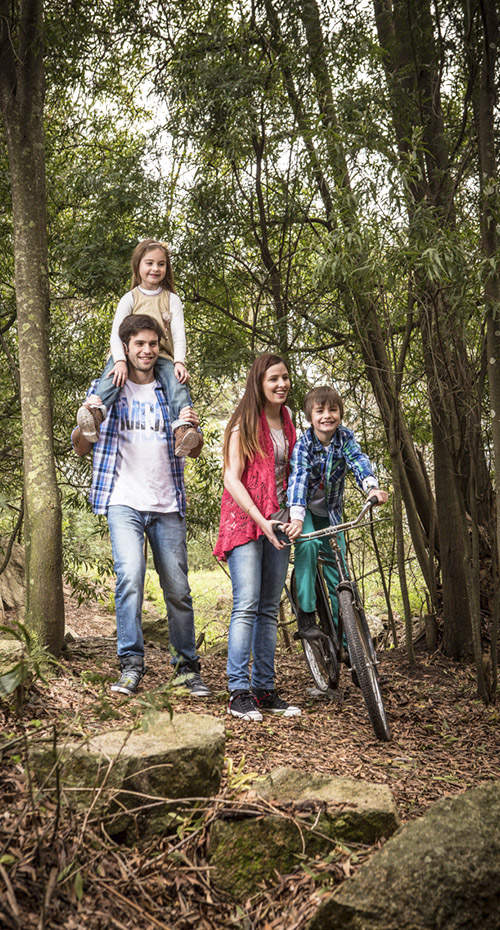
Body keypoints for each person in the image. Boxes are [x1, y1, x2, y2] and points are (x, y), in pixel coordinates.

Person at [72, 313, 211, 698]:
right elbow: (80, 446)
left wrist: (193, 429)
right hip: (123, 501)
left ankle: (186, 669)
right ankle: (131, 665)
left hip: (167, 502)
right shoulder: (108, 387)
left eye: (152, 344)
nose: (147, 351)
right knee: (130, 578)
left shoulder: (172, 387)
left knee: (178, 589)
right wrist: (85, 421)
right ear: (125, 347)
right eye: (139, 344)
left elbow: (195, 451)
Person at [214, 354, 301, 721]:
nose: (281, 384)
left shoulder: (289, 419)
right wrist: (260, 520)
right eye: (273, 379)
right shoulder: (243, 423)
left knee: (268, 607)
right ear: (259, 383)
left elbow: (295, 470)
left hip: (279, 522)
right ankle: (238, 692)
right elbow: (231, 479)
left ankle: (264, 689)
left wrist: (292, 516)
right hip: (246, 522)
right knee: (247, 604)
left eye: (285, 378)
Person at [76, 238, 203, 458]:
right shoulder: (130, 298)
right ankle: (96, 412)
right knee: (113, 376)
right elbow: (116, 334)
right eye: (149, 263)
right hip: (126, 355)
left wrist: (179, 362)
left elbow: (179, 335)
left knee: (176, 382)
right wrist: (120, 360)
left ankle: (182, 427)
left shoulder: (171, 300)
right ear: (138, 266)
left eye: (161, 264)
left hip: (162, 355)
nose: (155, 269)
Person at [286, 385, 388, 635]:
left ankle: (347, 641)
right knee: (308, 545)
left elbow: (358, 461)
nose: (327, 416)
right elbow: (298, 479)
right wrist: (296, 519)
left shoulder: (345, 438)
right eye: (319, 411)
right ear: (310, 417)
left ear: (340, 413)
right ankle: (307, 614)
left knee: (338, 568)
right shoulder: (303, 445)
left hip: (330, 512)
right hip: (305, 511)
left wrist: (372, 488)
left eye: (333, 410)